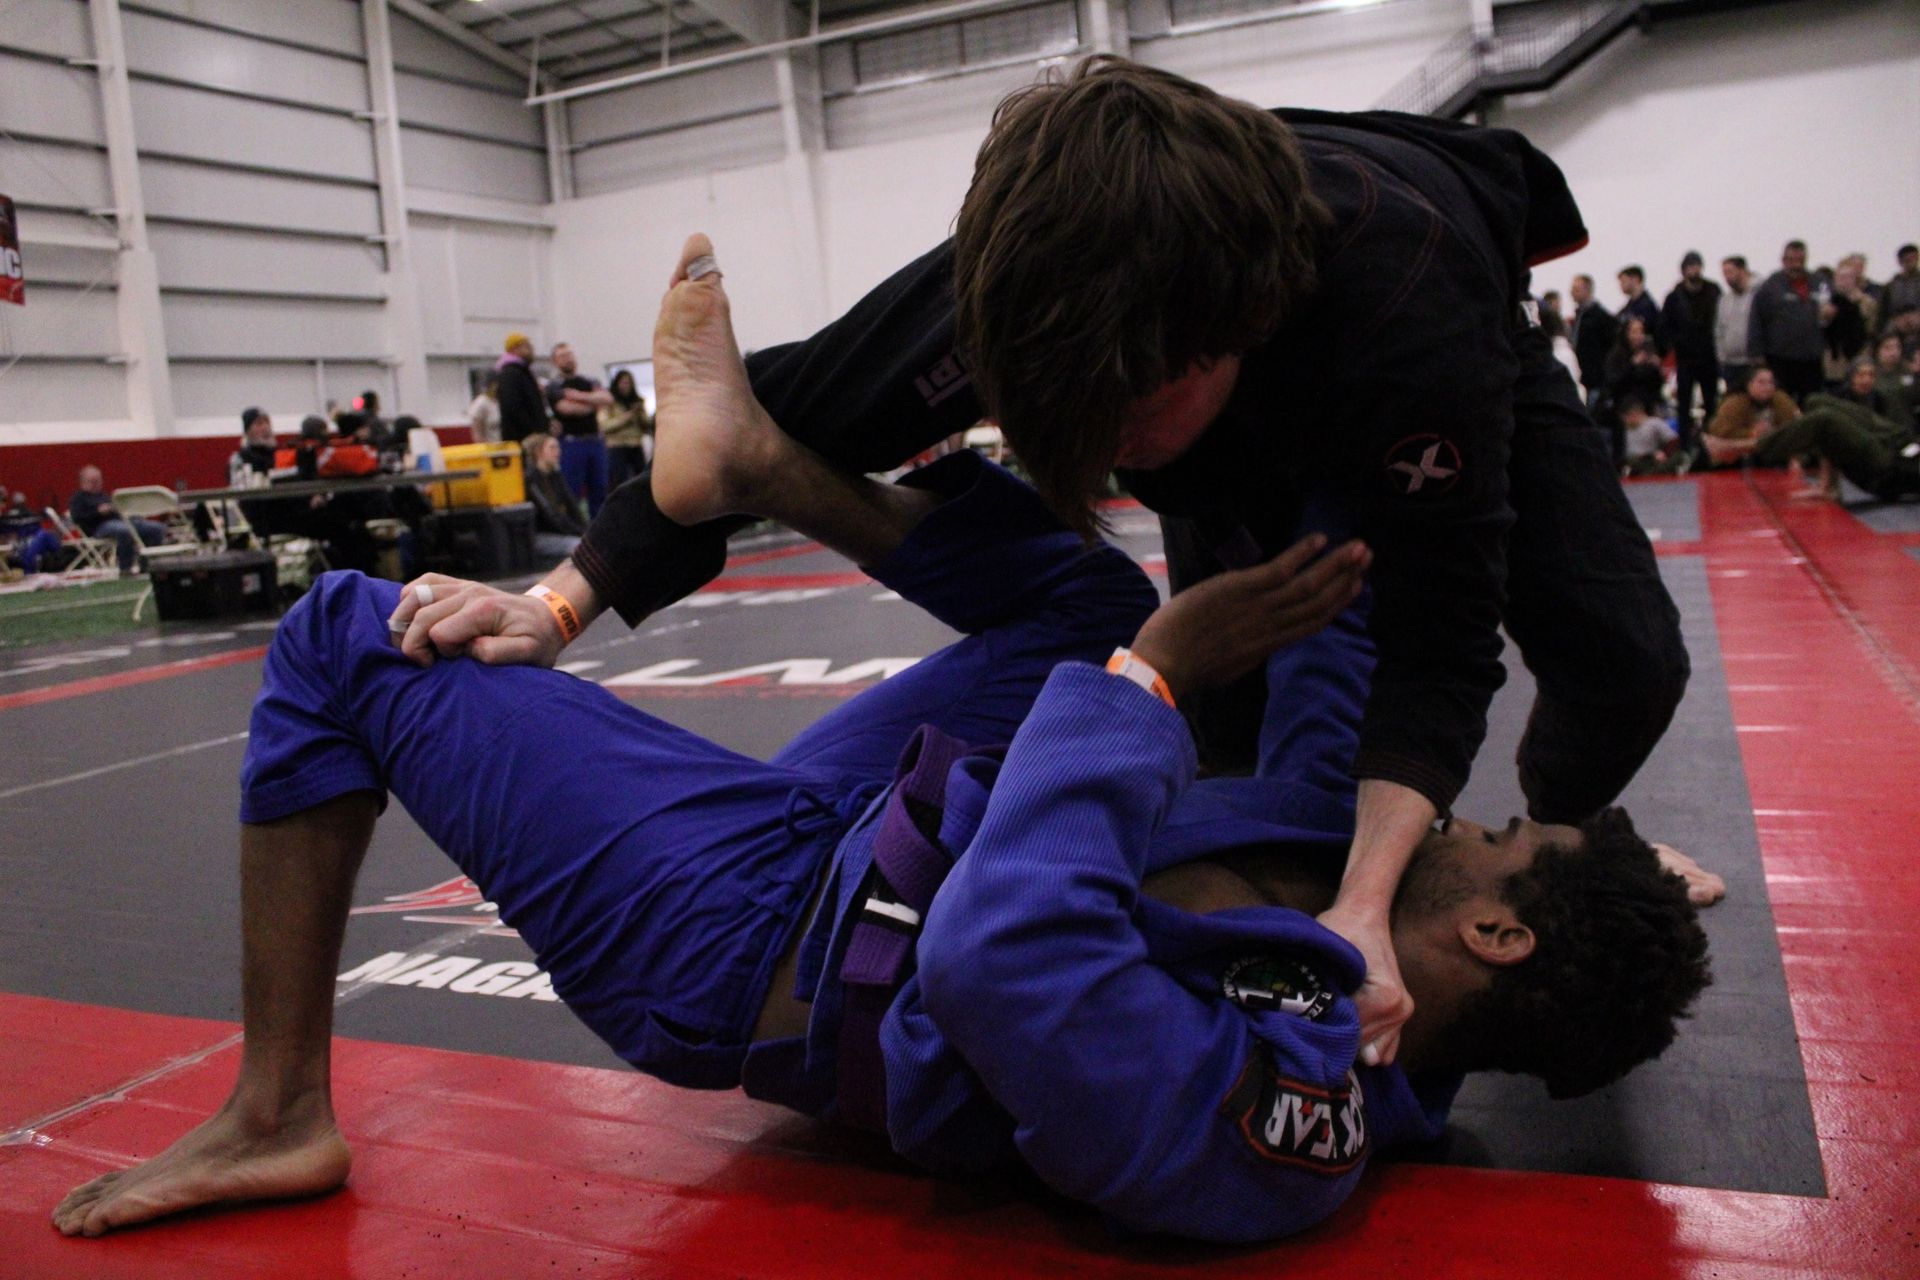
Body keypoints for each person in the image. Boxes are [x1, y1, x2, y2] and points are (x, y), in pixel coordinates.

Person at [50, 255, 1714, 1245]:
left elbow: (1007, 965)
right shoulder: (1356, 862)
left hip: (745, 944)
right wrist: (1383, 346)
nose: (1472, 821)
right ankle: (760, 459)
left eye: (1503, 840)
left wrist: (1147, 687)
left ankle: (276, 1110)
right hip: (871, 836)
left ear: (1495, 931)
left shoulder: (1285, 1123)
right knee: (1099, 599)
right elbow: (1344, 607)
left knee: (340, 630)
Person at [411, 58, 1695, 1072]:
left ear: (1216, 351)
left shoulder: (1412, 307)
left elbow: (1443, 636)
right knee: (1226, 700)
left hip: (1417, 308)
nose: (1114, 453)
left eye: (1127, 421)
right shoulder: (1035, 273)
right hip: (1198, 311)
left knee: (1619, 656)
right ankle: (1319, 822)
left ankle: (1567, 847)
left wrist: (1369, 902)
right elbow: (744, 420)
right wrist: (557, 600)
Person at [1749, 360, 1920, 502]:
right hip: (1900, 440)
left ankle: (1750, 446)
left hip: (1892, 466)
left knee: (1825, 419)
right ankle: (1827, 486)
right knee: (1815, 401)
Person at [1749, 240, 1826, 403]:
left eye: (1800, 260)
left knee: (1812, 402)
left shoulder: (1819, 283)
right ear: (1783, 260)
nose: (1796, 265)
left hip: (1811, 358)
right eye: (1791, 260)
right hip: (1780, 358)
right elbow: (1756, 320)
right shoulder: (1771, 286)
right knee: (1782, 404)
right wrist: (1756, 354)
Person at [547, 342, 614, 516]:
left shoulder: (589, 381)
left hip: (595, 441)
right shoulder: (554, 386)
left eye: (569, 354)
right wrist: (593, 403)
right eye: (562, 356)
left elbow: (607, 399)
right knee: (572, 491)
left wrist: (578, 396)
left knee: (600, 488)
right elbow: (566, 409)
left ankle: (598, 531)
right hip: (571, 443)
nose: (568, 359)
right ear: (555, 361)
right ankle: (574, 530)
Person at [1660, 251, 1720, 437]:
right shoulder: (1674, 297)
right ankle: (1685, 443)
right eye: (1690, 266)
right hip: (1685, 358)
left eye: (1696, 266)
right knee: (1683, 405)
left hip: (1709, 356)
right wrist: (1673, 345)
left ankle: (1712, 439)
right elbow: (1664, 326)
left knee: (1712, 403)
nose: (1694, 270)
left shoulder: (1713, 291)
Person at [68, 465, 166, 573]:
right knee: (124, 531)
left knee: (155, 528)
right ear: (83, 482)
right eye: (93, 481)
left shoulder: (104, 496)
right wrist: (98, 512)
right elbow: (77, 518)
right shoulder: (78, 499)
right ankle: (125, 568)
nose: (97, 484)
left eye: (98, 481)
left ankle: (149, 564)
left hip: (121, 521)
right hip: (97, 528)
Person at [1702, 365, 1800, 467]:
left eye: (1771, 382)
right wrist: (1751, 433)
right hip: (1735, 457)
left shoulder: (1781, 400)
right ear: (1748, 384)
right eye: (1761, 383)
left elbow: (1794, 426)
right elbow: (1721, 433)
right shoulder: (1734, 403)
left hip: (1773, 452)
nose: (1767, 387)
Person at [523, 432, 587, 557]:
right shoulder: (530, 480)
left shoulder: (555, 476)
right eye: (552, 448)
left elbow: (572, 506)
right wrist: (580, 533)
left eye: (558, 447)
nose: (558, 452)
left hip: (559, 533)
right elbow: (551, 515)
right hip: (539, 535)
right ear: (538, 452)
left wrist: (586, 530)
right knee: (579, 546)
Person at [601, 369, 652, 491]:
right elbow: (604, 426)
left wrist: (639, 414)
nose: (626, 386)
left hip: (635, 445)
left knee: (642, 480)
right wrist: (625, 418)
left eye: (629, 383)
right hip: (617, 447)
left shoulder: (637, 401)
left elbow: (646, 426)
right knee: (619, 482)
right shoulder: (609, 402)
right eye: (623, 382)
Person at [1569, 273, 1617, 403]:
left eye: (1576, 289)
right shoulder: (1579, 316)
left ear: (1587, 290)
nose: (1572, 293)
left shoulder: (1601, 317)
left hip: (1595, 375)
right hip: (1582, 373)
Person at [495, 333, 549, 443]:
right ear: (514, 349)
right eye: (527, 346)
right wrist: (533, 430)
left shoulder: (523, 372)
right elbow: (512, 405)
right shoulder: (510, 373)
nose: (532, 350)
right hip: (523, 439)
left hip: (532, 437)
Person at [1716, 255, 1757, 395]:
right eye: (1724, 273)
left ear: (1742, 270)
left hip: (1752, 362)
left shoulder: (1757, 295)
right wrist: (1721, 356)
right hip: (1730, 363)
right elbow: (1719, 330)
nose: (1727, 277)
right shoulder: (1725, 300)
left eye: (1730, 272)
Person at [1619, 397, 1681, 476]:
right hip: (1633, 464)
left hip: (1651, 461)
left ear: (1633, 413)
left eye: (1625, 418)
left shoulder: (1654, 423)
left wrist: (1664, 453)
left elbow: (1673, 440)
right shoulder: (1626, 430)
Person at [1616, 265, 1662, 350]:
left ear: (1635, 279)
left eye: (1623, 281)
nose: (1621, 285)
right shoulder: (1626, 309)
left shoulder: (1647, 307)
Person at [1884, 243, 1920, 326]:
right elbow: (1883, 312)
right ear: (1900, 261)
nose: (1913, 263)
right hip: (1896, 325)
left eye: (1915, 259)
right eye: (1908, 260)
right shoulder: (1891, 286)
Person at [466, 375, 502, 445]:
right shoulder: (480, 403)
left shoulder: (499, 401)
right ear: (491, 385)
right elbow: (477, 435)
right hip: (489, 449)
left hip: (504, 447)